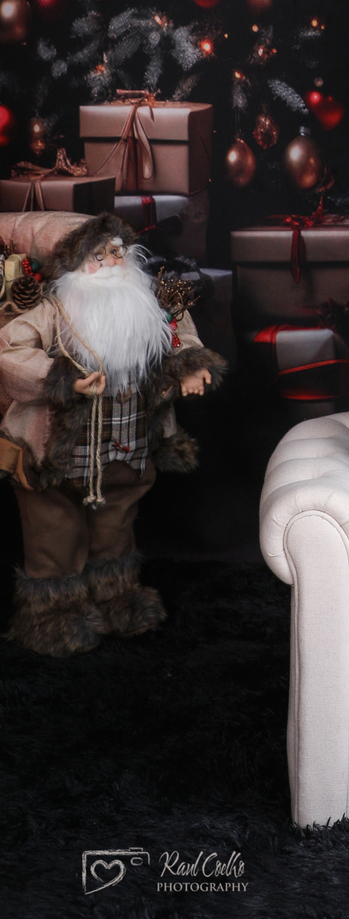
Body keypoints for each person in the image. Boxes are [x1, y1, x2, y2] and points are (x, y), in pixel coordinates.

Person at [0, 214, 223, 656]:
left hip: (127, 445)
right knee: (53, 532)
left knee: (115, 525)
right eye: (96, 255)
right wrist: (62, 378)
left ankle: (115, 597)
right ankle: (53, 613)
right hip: (59, 453)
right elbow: (9, 349)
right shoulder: (55, 309)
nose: (110, 262)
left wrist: (190, 366)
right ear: (72, 263)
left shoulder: (148, 301)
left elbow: (179, 334)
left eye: (116, 251)